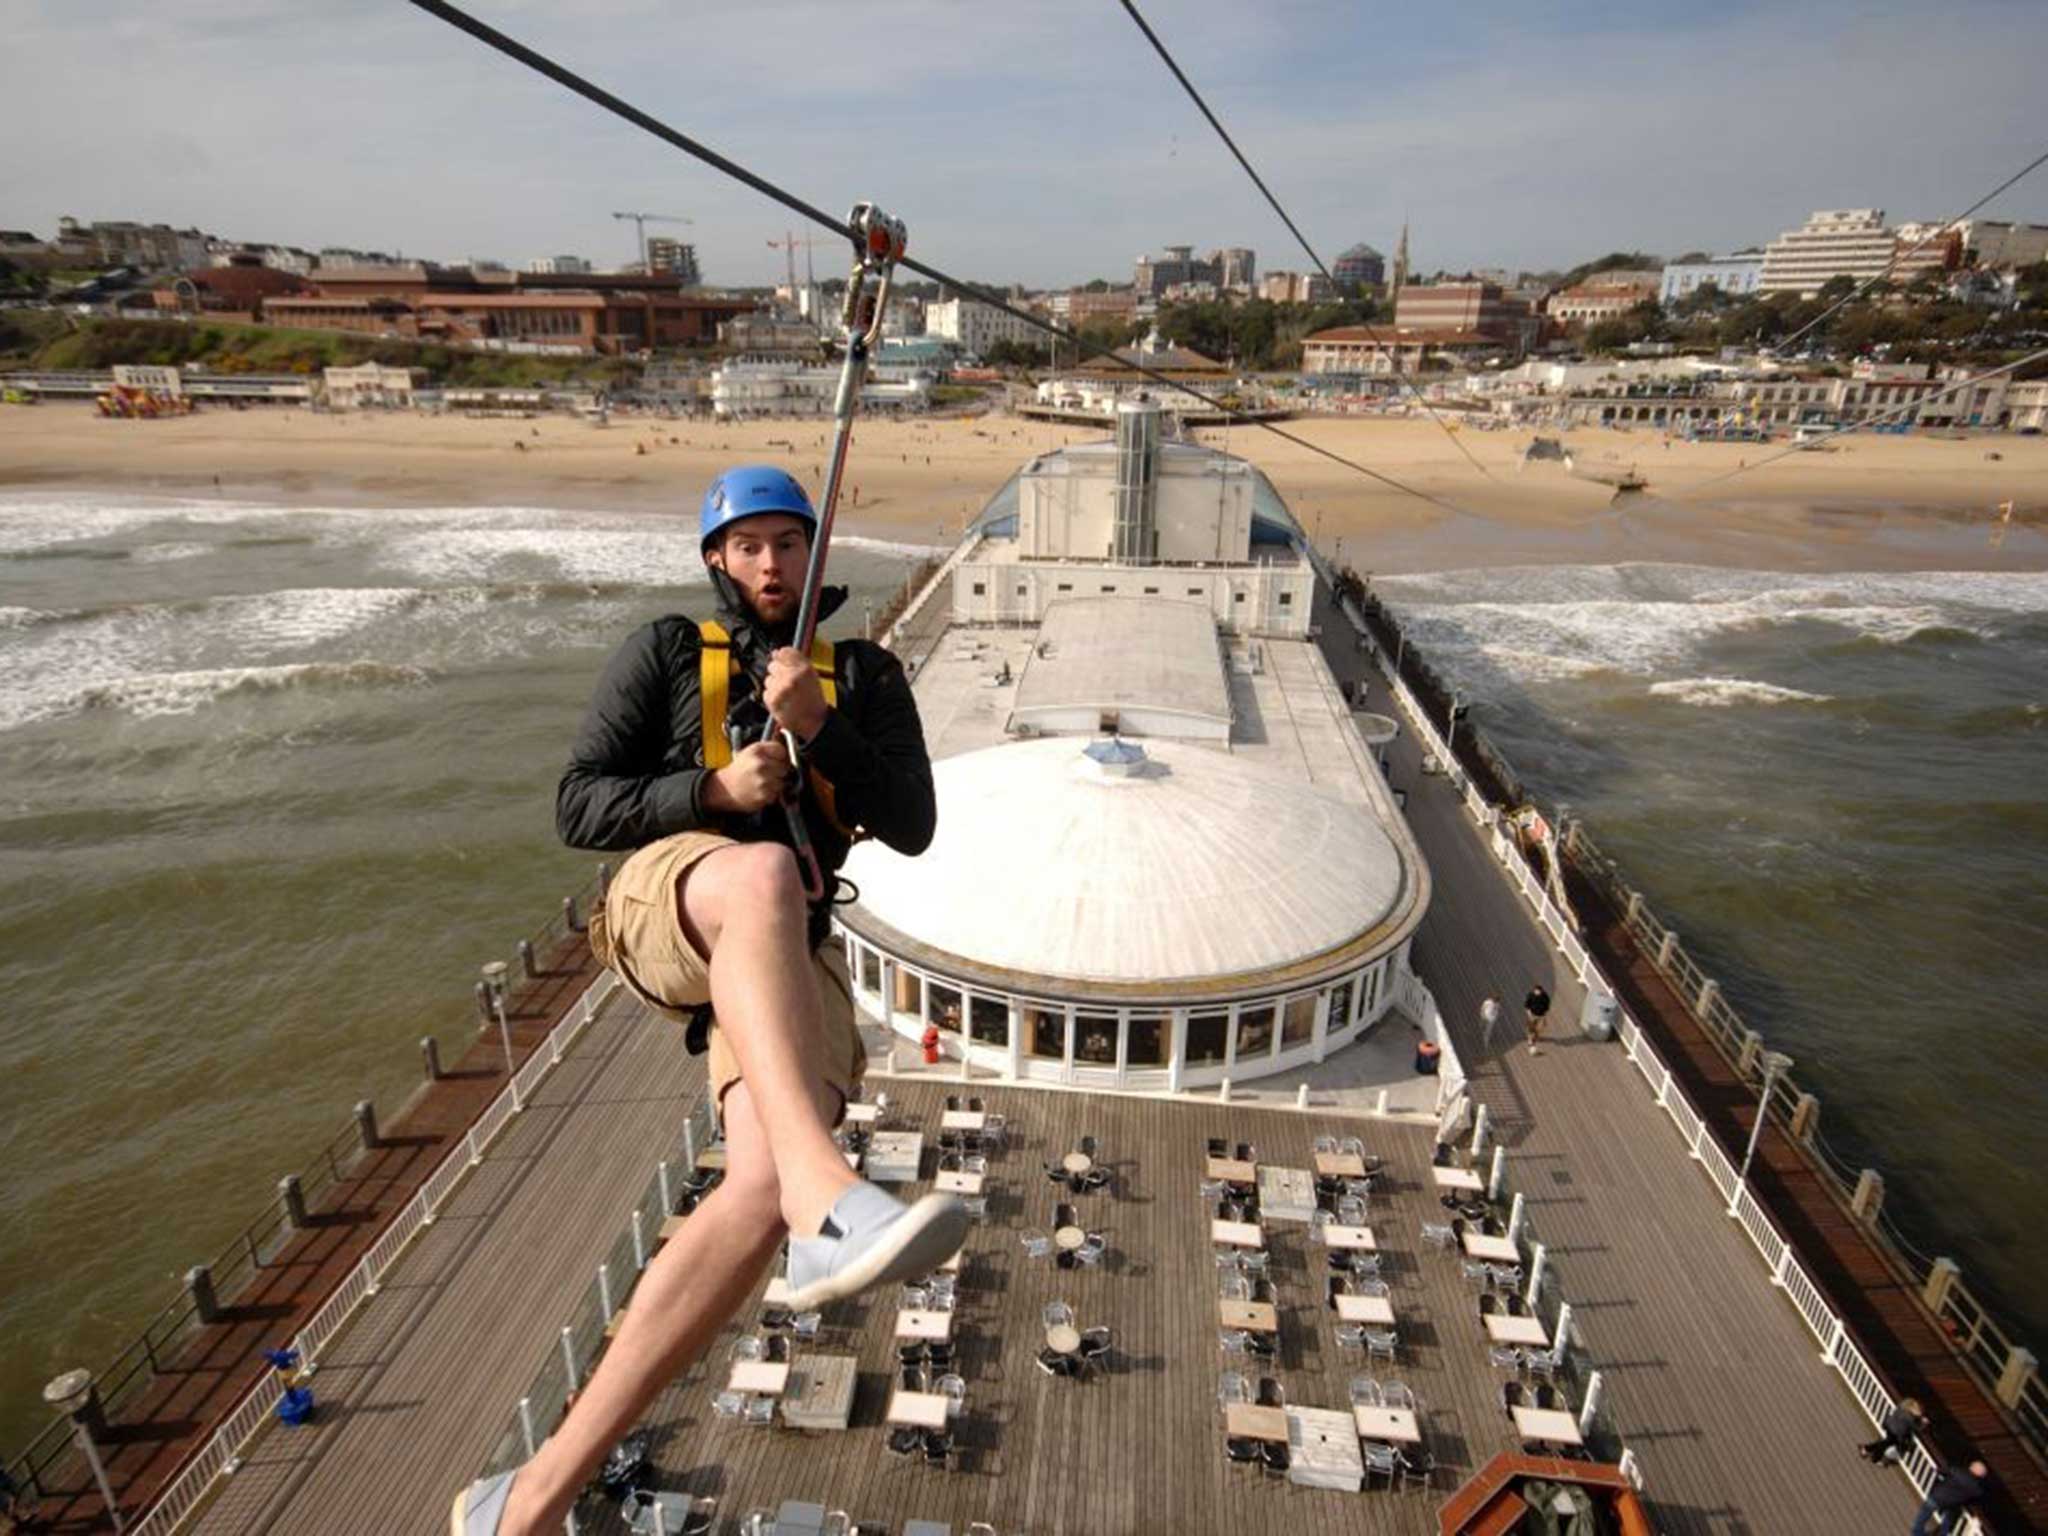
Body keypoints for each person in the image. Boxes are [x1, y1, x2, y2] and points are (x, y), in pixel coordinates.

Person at [451, 466, 962, 1536]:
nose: (770, 564)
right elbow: (579, 802)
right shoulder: (667, 650)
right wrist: (711, 792)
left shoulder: (860, 676)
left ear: (816, 555)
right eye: (749, 546)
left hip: (791, 940)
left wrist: (822, 727)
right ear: (716, 561)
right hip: (667, 896)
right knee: (761, 876)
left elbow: (909, 821)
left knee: (752, 1187)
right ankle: (830, 1195)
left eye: (788, 543)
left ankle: (526, 1498)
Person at [1910, 1458, 1987, 1535]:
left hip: (1938, 1497)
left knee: (1923, 1516)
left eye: (1972, 1465)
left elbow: (1941, 1470)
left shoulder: (1957, 1471)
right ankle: (1942, 1534)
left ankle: (1917, 1533)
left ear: (1973, 1468)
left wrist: (1939, 1471)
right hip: (1951, 1505)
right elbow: (1977, 1498)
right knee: (1949, 1519)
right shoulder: (1976, 1488)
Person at [1861, 1397, 1925, 1465]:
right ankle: (1871, 1454)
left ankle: (1869, 1452)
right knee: (1885, 1443)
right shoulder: (1909, 1417)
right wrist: (1923, 1424)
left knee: (1886, 1443)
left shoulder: (1903, 1407)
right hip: (1895, 1431)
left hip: (1891, 1426)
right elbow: (1915, 1428)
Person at [1523, 983, 1551, 1056]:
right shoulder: (1530, 995)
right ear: (1534, 990)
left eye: (1538, 991)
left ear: (1541, 991)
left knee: (1539, 1029)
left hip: (1541, 1015)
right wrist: (1529, 1014)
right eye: (1536, 991)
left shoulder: (1545, 996)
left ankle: (1534, 1039)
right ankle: (1530, 1040)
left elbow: (1547, 1006)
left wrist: (1545, 1015)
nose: (1537, 992)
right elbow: (1526, 1005)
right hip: (1532, 1015)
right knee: (1530, 1028)